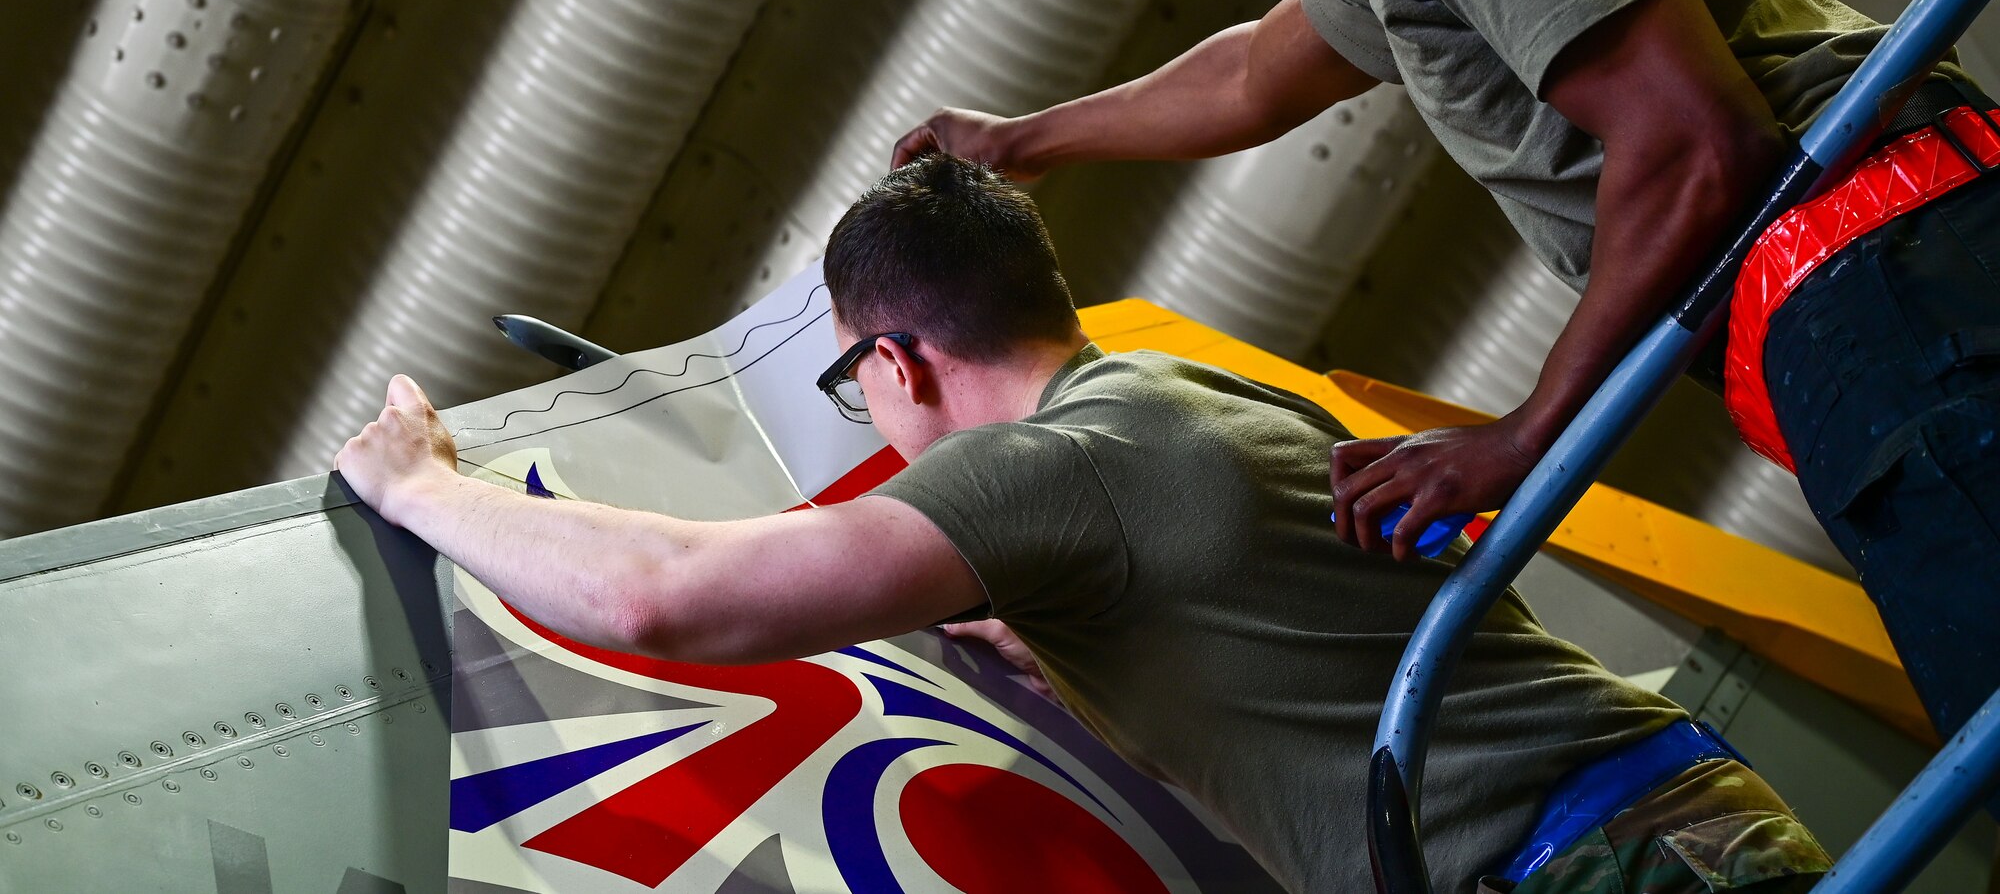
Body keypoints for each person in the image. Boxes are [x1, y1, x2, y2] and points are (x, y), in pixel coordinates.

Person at [890, 0, 2000, 742]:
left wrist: (1522, 439)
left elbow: (1692, 142)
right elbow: (1254, 71)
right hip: (1877, 286)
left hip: (1879, 285)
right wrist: (1020, 138)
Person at [337, 154, 1829, 893]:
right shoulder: (1187, 398)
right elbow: (1272, 641)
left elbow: (671, 600)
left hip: (1598, 866)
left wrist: (423, 483)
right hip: (1664, 827)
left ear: (899, 361)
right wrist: (1069, 657)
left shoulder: (1064, 464)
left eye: (862, 385)